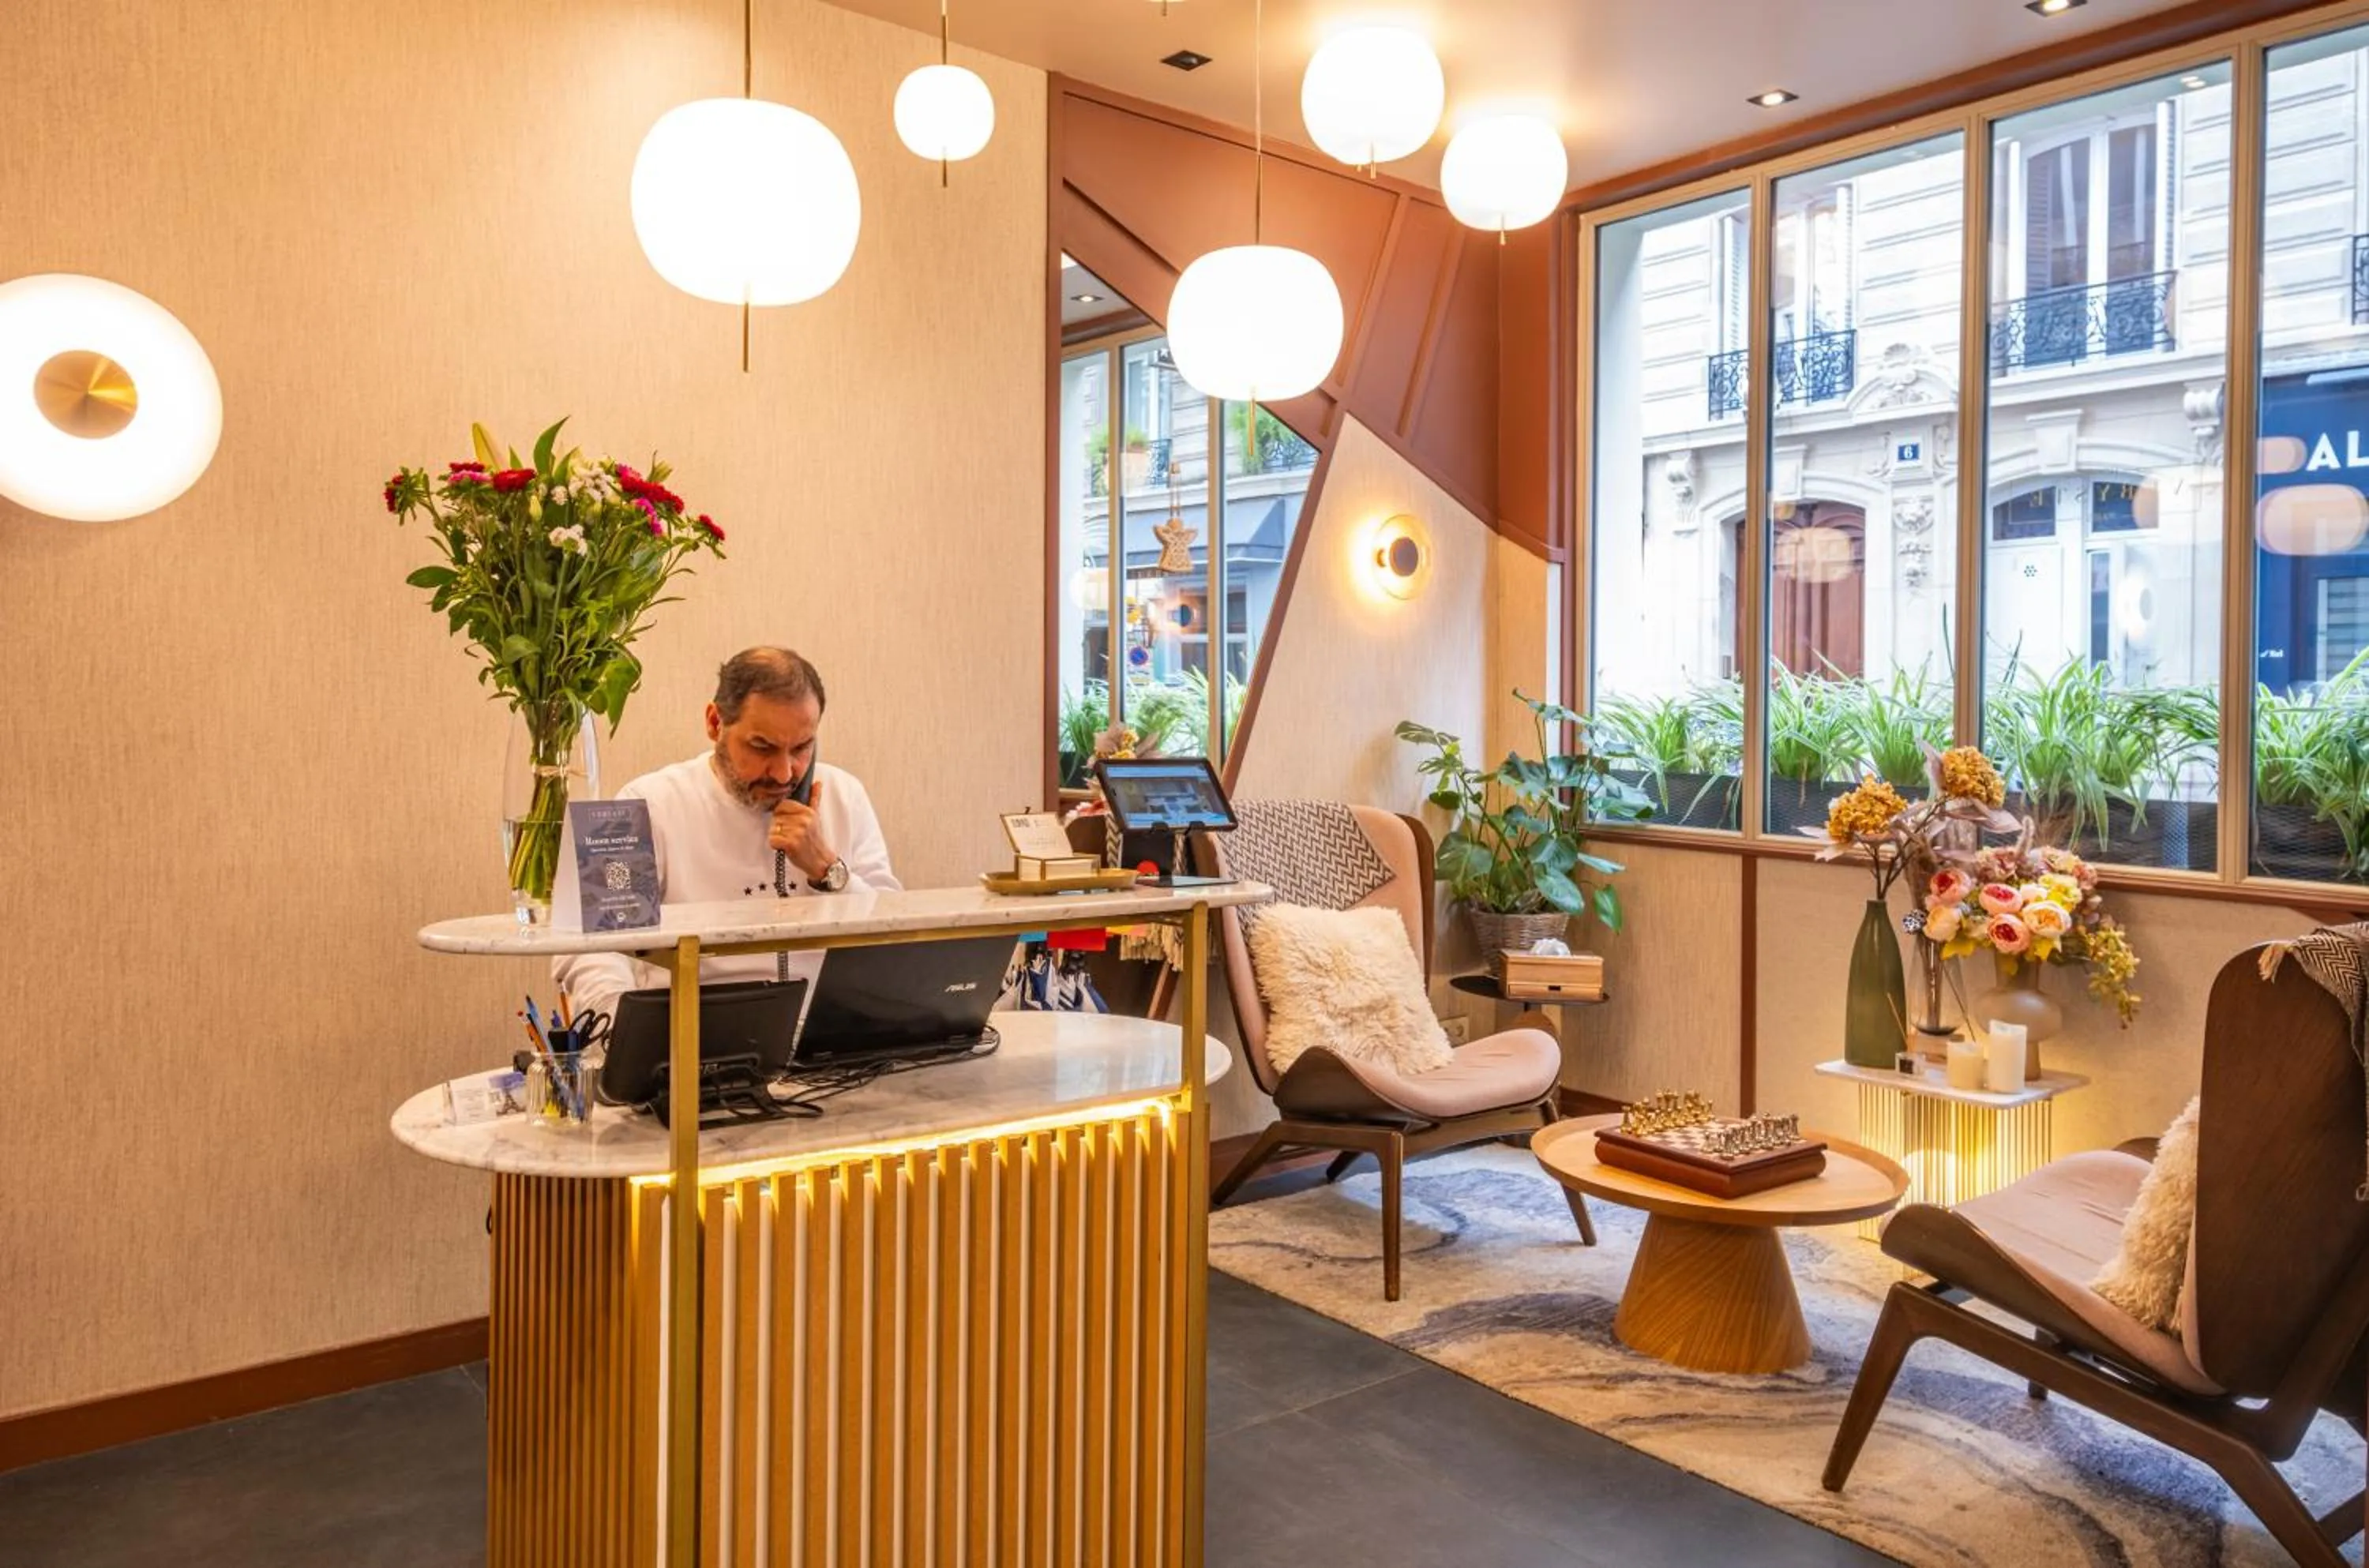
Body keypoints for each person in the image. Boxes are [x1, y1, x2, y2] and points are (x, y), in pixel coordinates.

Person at [553, 647, 899, 1020]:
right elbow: (589, 948)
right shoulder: (643, 803)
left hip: (832, 1044)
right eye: (762, 747)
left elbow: (896, 941)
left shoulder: (845, 794)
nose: (784, 774)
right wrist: (620, 1033)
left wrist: (828, 869)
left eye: (802, 748)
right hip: (692, 1040)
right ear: (716, 723)